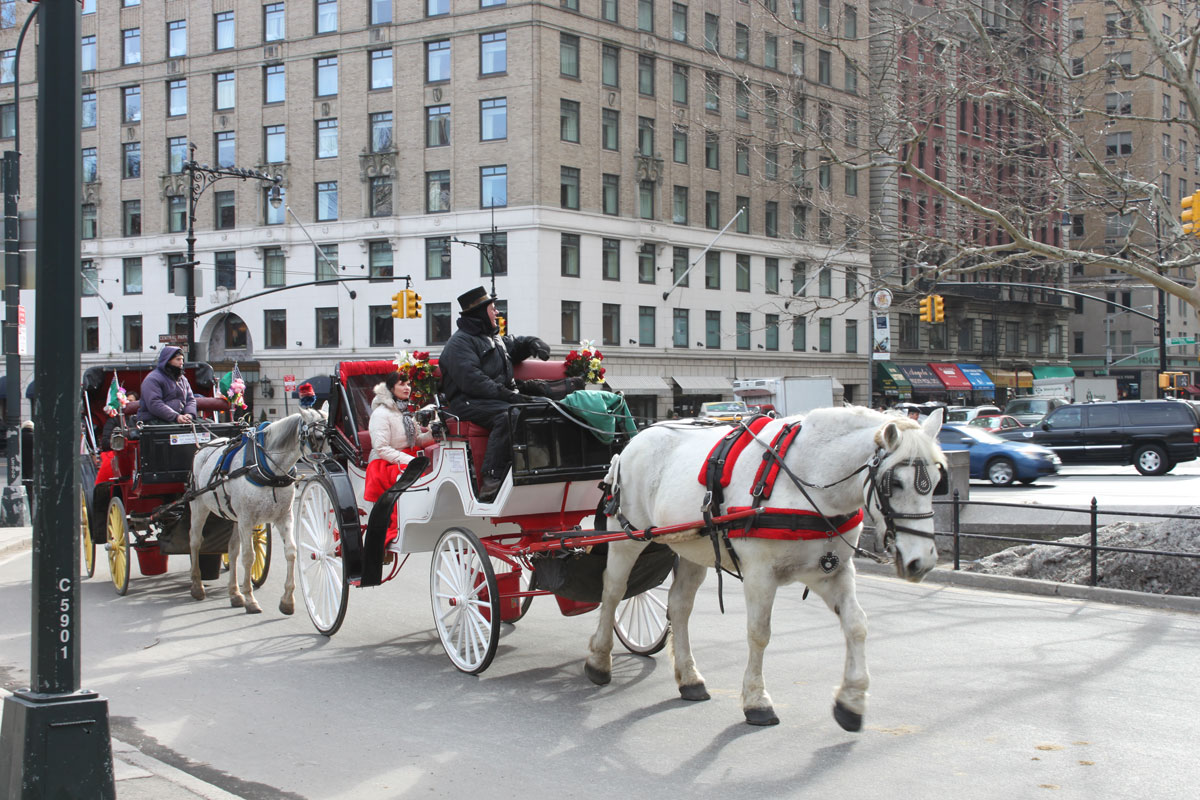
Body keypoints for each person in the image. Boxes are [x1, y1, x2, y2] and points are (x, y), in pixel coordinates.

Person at [439, 286, 550, 501]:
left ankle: (539, 467)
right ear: (480, 313)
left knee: (543, 407)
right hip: (468, 401)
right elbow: (474, 382)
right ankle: (492, 477)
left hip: (493, 398)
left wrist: (533, 343)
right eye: (492, 308)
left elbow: (515, 345)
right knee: (510, 415)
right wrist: (511, 396)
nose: (497, 312)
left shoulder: (493, 338)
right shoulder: (459, 344)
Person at [363, 371, 435, 503]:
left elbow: (416, 440)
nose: (407, 388)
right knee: (417, 475)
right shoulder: (380, 414)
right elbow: (381, 448)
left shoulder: (406, 412)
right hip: (386, 463)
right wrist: (411, 461)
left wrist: (433, 433)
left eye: (408, 384)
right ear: (391, 388)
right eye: (402, 384)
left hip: (408, 456)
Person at [137, 347, 196, 425]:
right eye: (178, 359)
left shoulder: (183, 379)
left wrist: (189, 414)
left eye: (182, 359)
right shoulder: (152, 379)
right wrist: (176, 417)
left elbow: (190, 400)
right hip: (155, 420)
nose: (181, 363)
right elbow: (154, 403)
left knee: (207, 426)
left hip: (180, 418)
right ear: (168, 361)